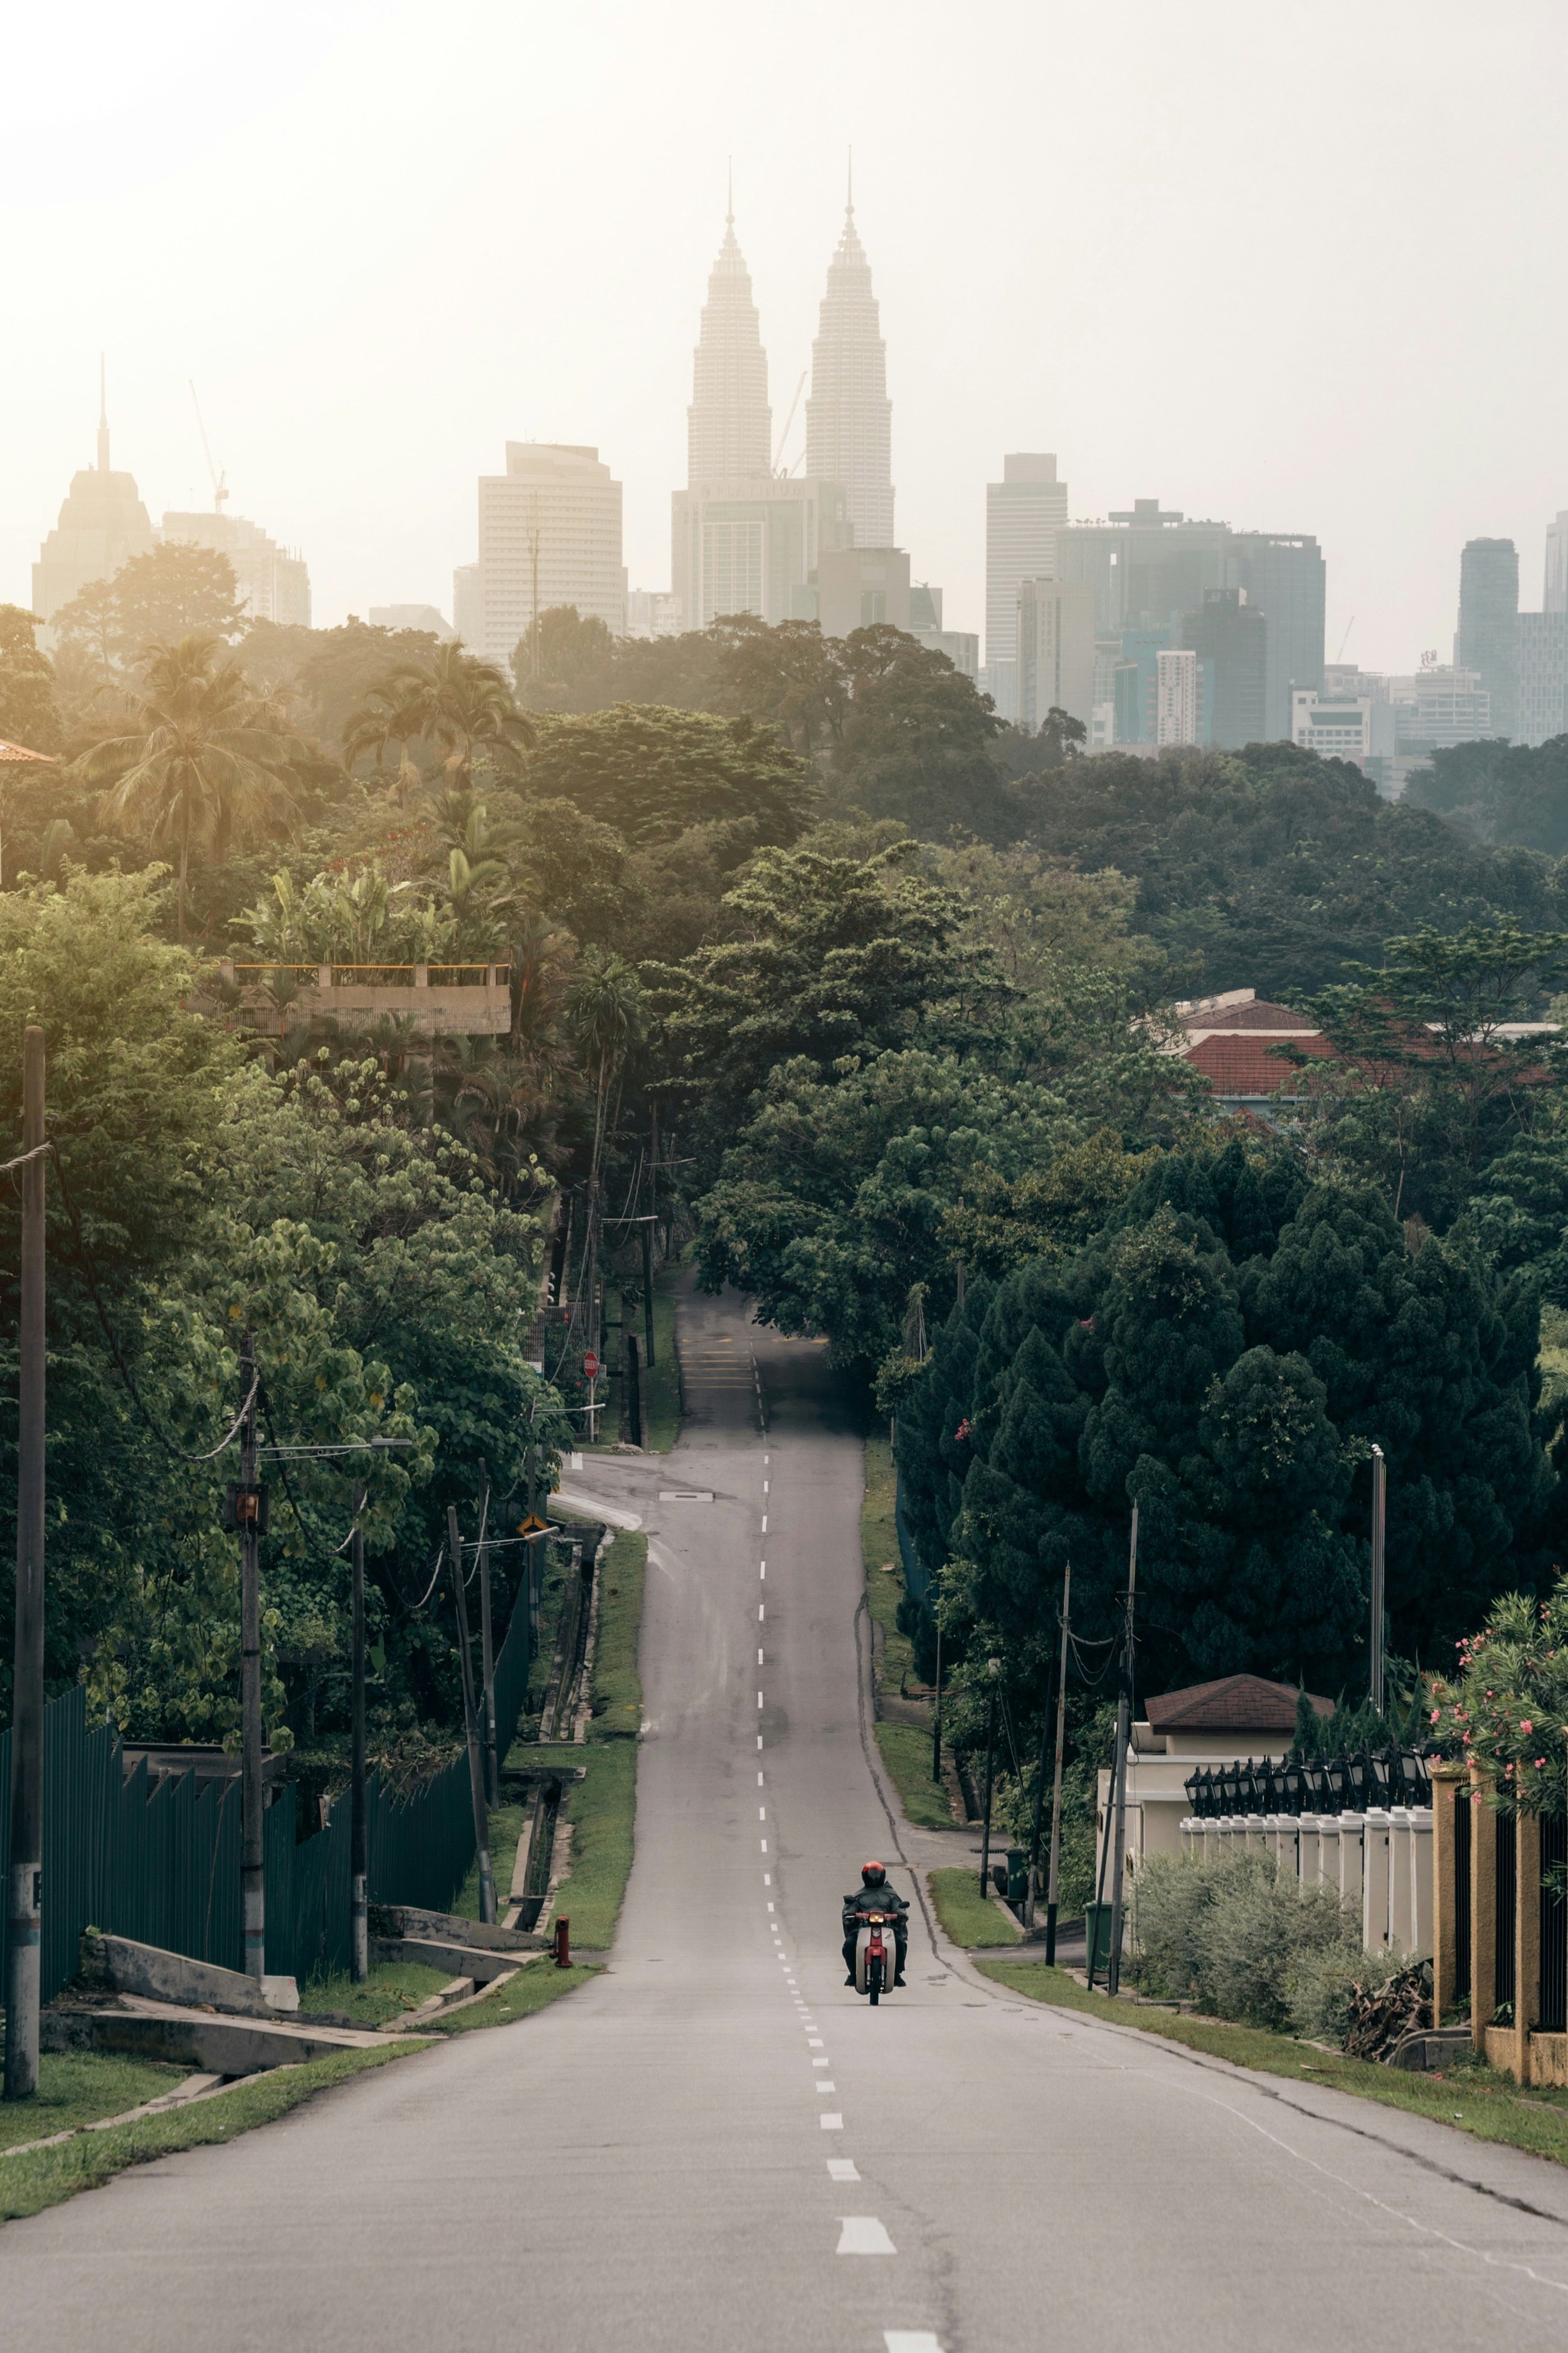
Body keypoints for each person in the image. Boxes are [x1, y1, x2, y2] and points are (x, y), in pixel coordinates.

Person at [842, 1860, 908, 1988]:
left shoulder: (891, 1895)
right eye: (871, 1875)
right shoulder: (859, 1896)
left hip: (887, 1929)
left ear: (882, 1876)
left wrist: (900, 1915)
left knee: (900, 1944)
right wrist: (850, 1916)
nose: (874, 1878)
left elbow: (898, 1908)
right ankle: (854, 1974)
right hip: (863, 1929)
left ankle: (896, 1974)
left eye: (876, 1874)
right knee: (849, 1945)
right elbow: (850, 1910)